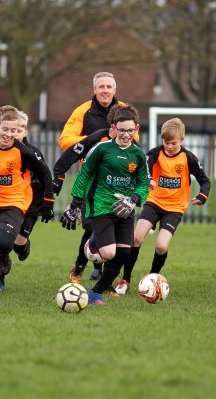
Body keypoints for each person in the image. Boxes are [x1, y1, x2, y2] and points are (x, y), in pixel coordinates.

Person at [60, 105, 150, 306]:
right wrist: (76, 203)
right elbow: (83, 176)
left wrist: (133, 199)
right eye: (122, 130)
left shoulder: (138, 155)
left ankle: (95, 293)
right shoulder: (101, 149)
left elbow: (144, 183)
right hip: (101, 206)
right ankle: (92, 241)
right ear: (113, 128)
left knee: (125, 253)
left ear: (136, 128)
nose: (126, 134)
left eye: (130, 130)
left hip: (125, 208)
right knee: (109, 254)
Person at [114, 118, 211, 295]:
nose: (170, 146)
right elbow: (142, 172)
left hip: (174, 208)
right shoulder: (155, 154)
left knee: (161, 246)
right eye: (166, 142)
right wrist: (147, 179)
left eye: (173, 143)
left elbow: (205, 180)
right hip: (154, 203)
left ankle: (153, 279)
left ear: (182, 139)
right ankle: (125, 279)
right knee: (136, 238)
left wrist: (203, 196)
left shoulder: (188, 158)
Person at [0, 105, 54, 301]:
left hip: (15, 202)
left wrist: (48, 202)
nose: (8, 134)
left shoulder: (23, 151)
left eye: (13, 131)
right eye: (5, 129)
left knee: (4, 244)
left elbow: (45, 173)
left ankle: (3, 255)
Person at [58, 71, 134, 282]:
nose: (105, 90)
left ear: (115, 90)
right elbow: (65, 140)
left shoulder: (125, 111)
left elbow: (133, 141)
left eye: (109, 87)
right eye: (101, 87)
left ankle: (103, 275)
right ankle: (81, 264)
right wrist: (96, 138)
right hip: (91, 181)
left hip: (119, 181)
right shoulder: (83, 111)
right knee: (93, 227)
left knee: (115, 228)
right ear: (94, 89)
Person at [0, 110, 50, 293]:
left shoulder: (32, 153)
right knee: (1, 243)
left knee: (18, 246)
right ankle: (0, 279)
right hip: (6, 202)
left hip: (31, 204)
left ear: (25, 132)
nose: (15, 134)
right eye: (14, 129)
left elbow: (44, 175)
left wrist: (48, 199)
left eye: (20, 130)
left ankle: (24, 245)